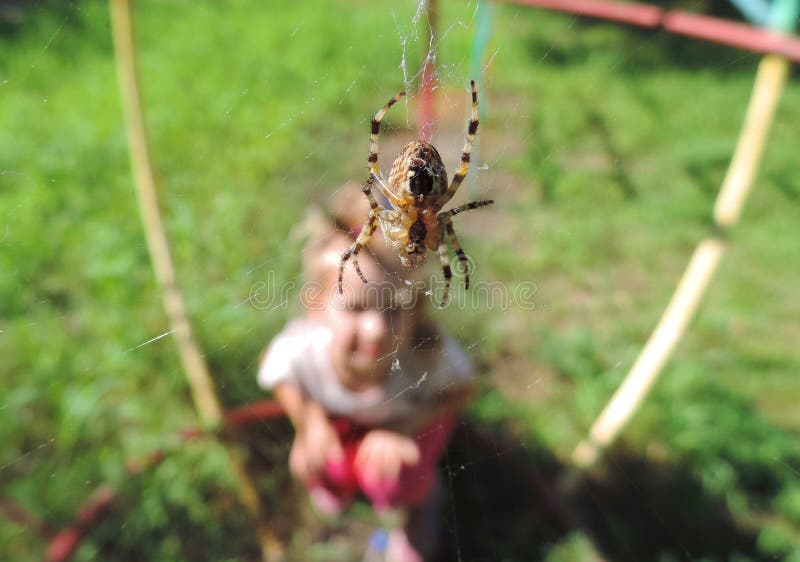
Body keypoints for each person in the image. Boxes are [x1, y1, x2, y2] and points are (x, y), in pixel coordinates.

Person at [257, 183, 476, 561]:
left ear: (415, 307)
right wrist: (308, 421)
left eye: (393, 308)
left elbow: (462, 389)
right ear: (316, 306)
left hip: (407, 423)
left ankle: (420, 504)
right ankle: (335, 489)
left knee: (393, 471)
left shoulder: (422, 353)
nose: (376, 330)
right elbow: (274, 371)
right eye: (356, 309)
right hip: (346, 424)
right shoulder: (306, 347)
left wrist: (399, 431)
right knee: (316, 457)